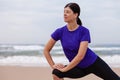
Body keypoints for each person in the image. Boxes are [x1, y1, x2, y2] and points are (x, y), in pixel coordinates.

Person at [44, 2, 120, 80]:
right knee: (56, 73)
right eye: (64, 12)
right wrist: (53, 65)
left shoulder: (84, 31)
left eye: (67, 12)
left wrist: (65, 69)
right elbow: (46, 50)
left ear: (76, 14)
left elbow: (80, 56)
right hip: (78, 68)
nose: (64, 14)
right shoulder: (60, 31)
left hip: (93, 63)